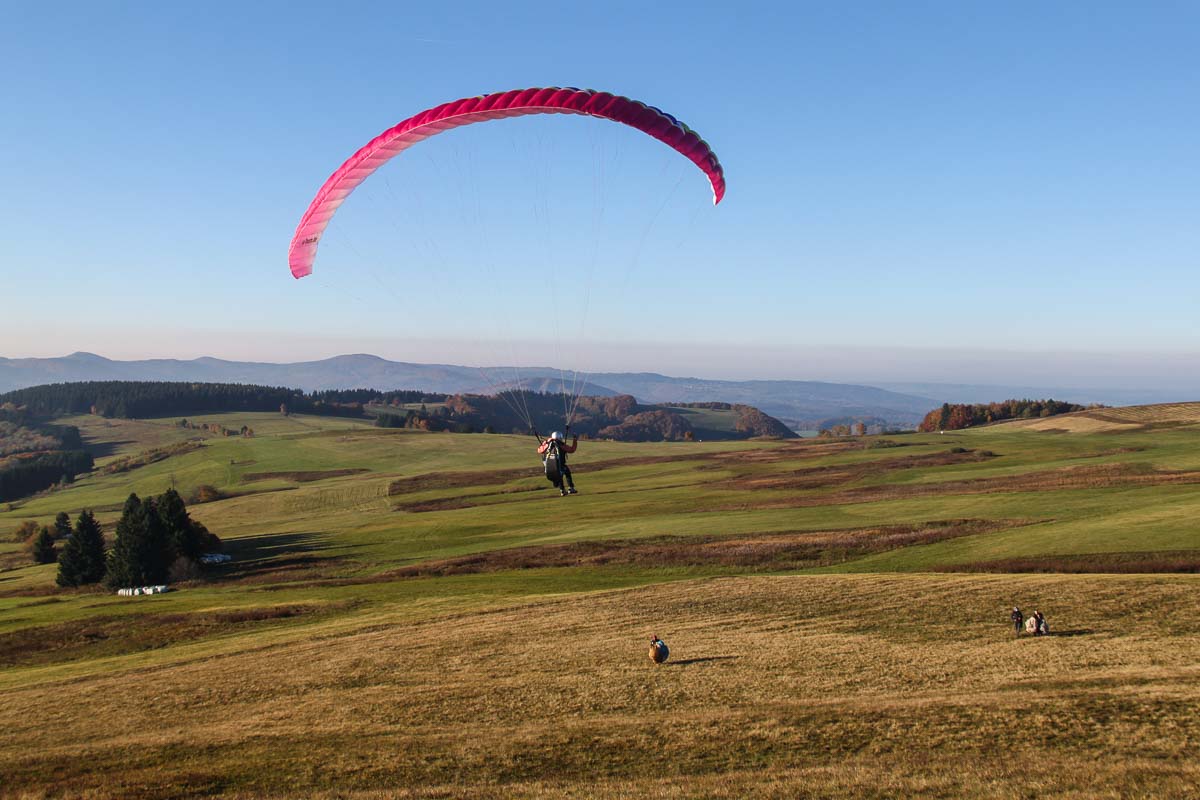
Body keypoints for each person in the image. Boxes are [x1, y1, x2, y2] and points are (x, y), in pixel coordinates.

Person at [538, 430, 578, 496]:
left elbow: (539, 450)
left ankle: (562, 490)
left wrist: (544, 443)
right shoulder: (560, 444)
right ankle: (571, 488)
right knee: (566, 472)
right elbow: (572, 449)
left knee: (559, 476)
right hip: (560, 466)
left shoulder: (548, 444)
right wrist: (575, 440)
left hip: (548, 468)